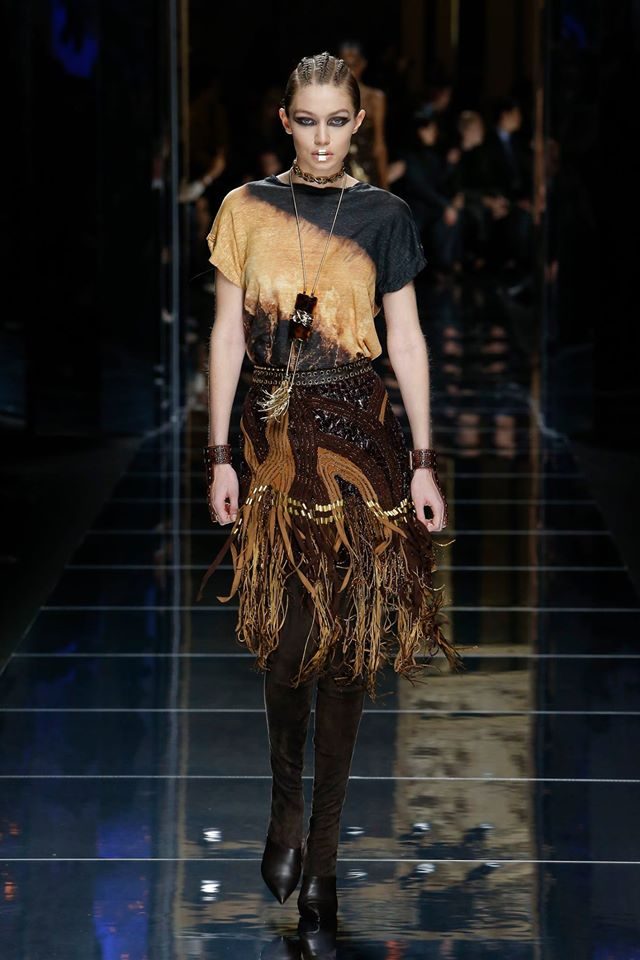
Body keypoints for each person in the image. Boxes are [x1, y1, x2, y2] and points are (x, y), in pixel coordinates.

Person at [194, 51, 465, 927]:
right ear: (285, 120)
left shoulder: (385, 216)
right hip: (274, 448)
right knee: (287, 647)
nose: (321, 139)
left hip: (362, 445)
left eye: (336, 121)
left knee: (348, 653)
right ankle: (285, 804)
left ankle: (324, 855)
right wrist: (218, 456)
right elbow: (226, 336)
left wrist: (424, 461)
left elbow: (408, 341)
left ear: (358, 123)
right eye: (306, 120)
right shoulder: (245, 208)